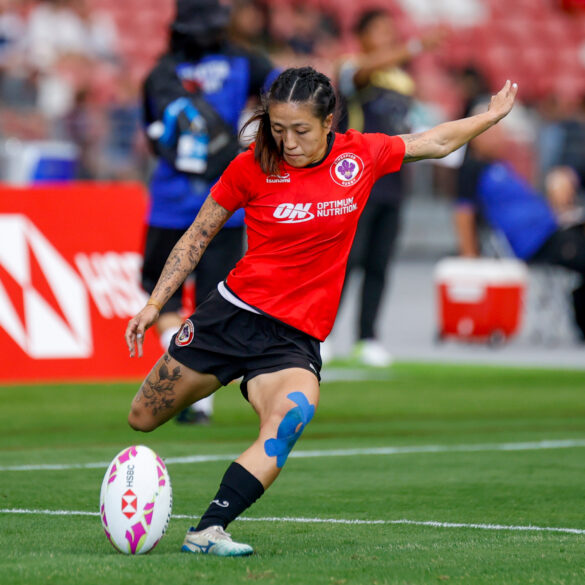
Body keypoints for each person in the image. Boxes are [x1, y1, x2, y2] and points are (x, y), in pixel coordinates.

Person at [126, 66, 517, 556]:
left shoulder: (361, 155)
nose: (287, 140)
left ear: (329, 120)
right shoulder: (250, 166)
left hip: (292, 339)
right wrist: (154, 304)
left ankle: (208, 530)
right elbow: (198, 234)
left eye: (301, 129)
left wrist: (488, 117)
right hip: (230, 317)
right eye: (278, 127)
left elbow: (434, 141)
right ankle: (130, 489)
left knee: (289, 420)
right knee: (141, 418)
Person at [141, 0, 276, 424]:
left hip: (182, 200)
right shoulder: (243, 60)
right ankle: (197, 397)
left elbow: (153, 137)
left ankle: (186, 385)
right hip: (215, 201)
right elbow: (284, 93)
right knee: (204, 300)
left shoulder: (161, 72)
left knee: (166, 293)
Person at [331, 9, 443, 366]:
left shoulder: (401, 79)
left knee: (379, 263)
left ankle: (367, 337)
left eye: (390, 30)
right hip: (357, 181)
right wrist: (414, 45)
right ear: (361, 35)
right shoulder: (352, 66)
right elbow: (360, 74)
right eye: (379, 29)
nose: (387, 36)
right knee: (346, 261)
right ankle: (323, 332)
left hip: (394, 182)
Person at [454, 108, 585, 339]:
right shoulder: (472, 169)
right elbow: (464, 214)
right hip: (535, 242)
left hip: (554, 228)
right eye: (495, 132)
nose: (502, 138)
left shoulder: (502, 167)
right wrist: (469, 256)